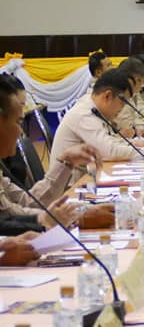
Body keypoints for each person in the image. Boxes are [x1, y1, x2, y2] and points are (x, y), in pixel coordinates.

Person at [0, 75, 112, 241]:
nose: (21, 133)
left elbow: (27, 202)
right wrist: (66, 217)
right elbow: (8, 217)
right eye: (18, 121)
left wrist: (66, 164)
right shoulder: (85, 111)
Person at [52, 68, 144, 164]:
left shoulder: (94, 108)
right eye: (122, 103)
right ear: (108, 96)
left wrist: (133, 143)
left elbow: (110, 140)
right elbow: (109, 152)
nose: (121, 109)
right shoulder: (84, 113)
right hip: (73, 186)